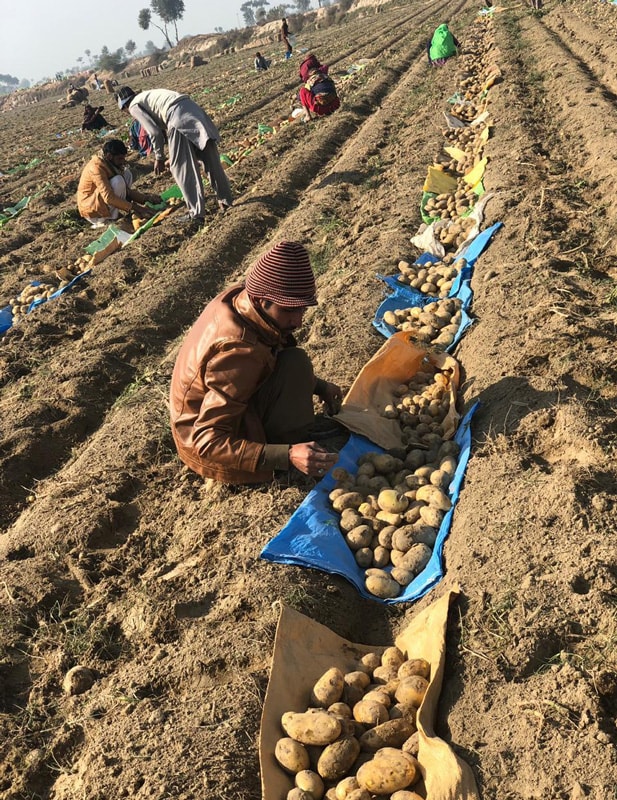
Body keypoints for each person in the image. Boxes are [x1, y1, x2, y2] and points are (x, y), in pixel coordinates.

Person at [169, 241, 343, 484]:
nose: (298, 321)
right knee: (296, 364)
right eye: (289, 310)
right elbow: (208, 441)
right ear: (263, 301)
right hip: (207, 446)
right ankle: (286, 449)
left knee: (295, 363)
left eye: (301, 310)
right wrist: (288, 454)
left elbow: (270, 358)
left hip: (219, 413)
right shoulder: (238, 351)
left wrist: (319, 386)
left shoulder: (245, 300)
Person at [116, 86, 233, 230]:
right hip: (192, 109)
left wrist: (159, 157)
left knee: (181, 168)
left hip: (176, 117)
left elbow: (154, 132)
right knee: (210, 160)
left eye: (124, 111)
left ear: (125, 106)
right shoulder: (147, 95)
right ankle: (226, 200)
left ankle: (196, 215)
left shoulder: (134, 106)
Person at [76, 139, 160, 227]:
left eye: (123, 158)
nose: (123, 161)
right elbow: (108, 198)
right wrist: (136, 208)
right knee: (118, 181)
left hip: (100, 200)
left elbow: (127, 191)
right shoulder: (96, 168)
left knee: (127, 174)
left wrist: (146, 199)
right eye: (120, 158)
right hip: (92, 209)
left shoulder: (110, 165)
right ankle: (105, 219)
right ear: (109, 156)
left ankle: (114, 213)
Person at [297, 54, 340, 121]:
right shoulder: (325, 76)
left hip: (320, 108)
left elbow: (301, 97)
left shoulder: (310, 81)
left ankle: (308, 116)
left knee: (303, 91)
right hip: (335, 105)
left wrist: (298, 98)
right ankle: (328, 110)